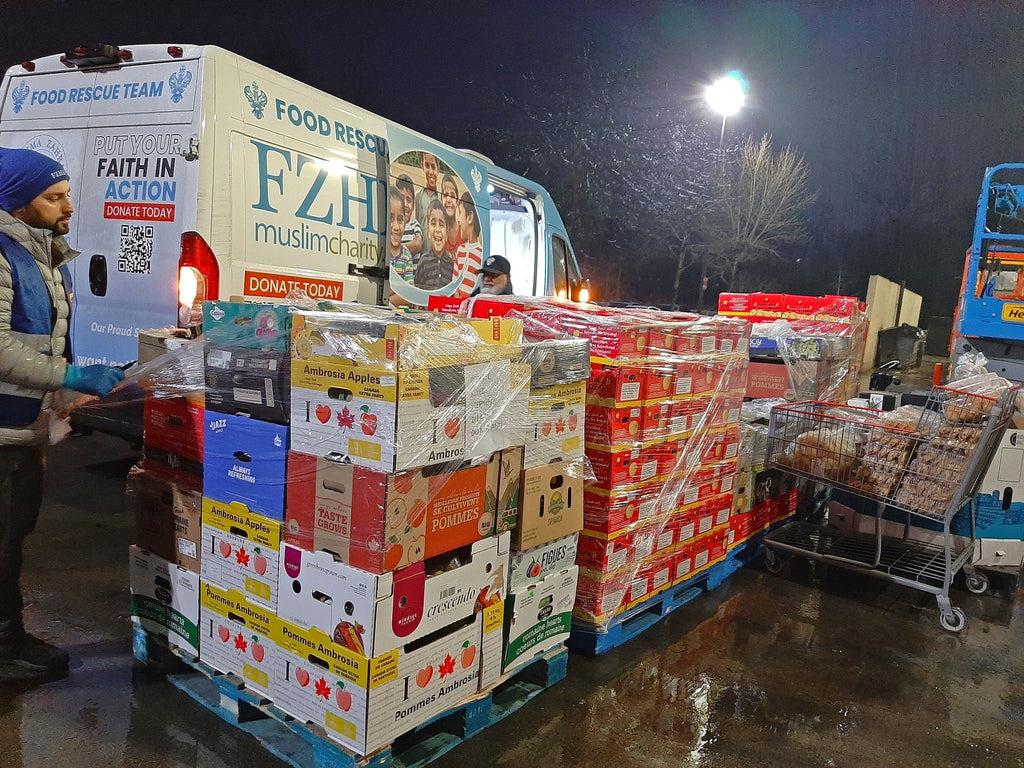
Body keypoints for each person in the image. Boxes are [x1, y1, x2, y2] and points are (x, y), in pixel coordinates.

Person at [0, 148, 125, 675]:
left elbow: (43, 337)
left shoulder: (41, 253)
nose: (69, 205)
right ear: (16, 202)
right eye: (53, 196)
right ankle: (6, 644)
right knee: (3, 540)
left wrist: (61, 404)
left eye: (67, 193)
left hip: (22, 428)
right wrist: (69, 376)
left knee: (13, 534)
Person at [414, 200, 455, 291]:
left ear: (447, 233)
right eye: (433, 224)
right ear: (428, 231)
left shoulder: (451, 265)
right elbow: (417, 291)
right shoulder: (423, 261)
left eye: (441, 224)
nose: (437, 230)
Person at [453, 192, 483, 297]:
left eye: (460, 213)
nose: (458, 220)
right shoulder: (460, 249)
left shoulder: (481, 254)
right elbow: (455, 281)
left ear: (470, 217)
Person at [387, 187, 416, 284]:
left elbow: (408, 291)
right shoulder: (380, 251)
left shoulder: (406, 255)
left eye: (400, 219)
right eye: (390, 218)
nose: (396, 227)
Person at [395, 174, 422, 258]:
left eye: (409, 200)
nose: (405, 204)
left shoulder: (414, 225)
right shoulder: (392, 225)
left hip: (411, 271)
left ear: (413, 206)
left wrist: (395, 249)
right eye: (401, 198)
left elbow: (418, 244)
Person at [413, 152, 440, 229]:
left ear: (438, 169)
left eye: (433, 167)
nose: (431, 172)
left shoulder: (442, 199)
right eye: (427, 166)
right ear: (422, 166)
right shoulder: (417, 196)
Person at [440, 174, 463, 255]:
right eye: (445, 195)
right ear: (441, 200)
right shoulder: (438, 234)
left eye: (452, 196)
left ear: (457, 202)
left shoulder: (465, 233)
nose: (449, 200)